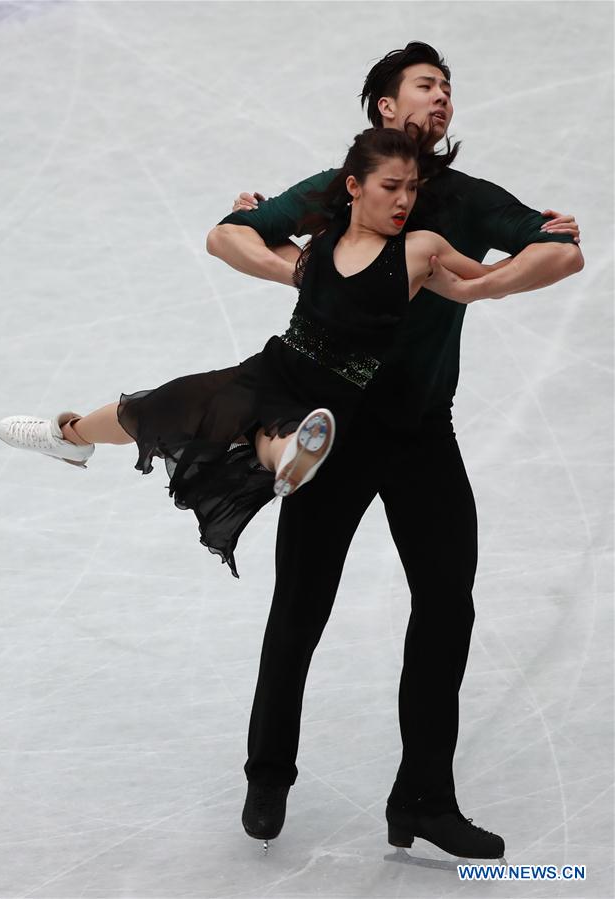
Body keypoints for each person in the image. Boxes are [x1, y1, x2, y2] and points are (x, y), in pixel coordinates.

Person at [207, 42, 584, 859]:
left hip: (421, 434)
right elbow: (229, 234)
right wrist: (299, 270)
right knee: (301, 608)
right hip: (332, 435)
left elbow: (563, 248)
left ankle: (423, 798)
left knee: (448, 605)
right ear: (384, 108)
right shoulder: (349, 185)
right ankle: (269, 770)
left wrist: (484, 285)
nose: (441, 97)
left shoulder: (465, 200)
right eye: (424, 86)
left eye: (448, 88)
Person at [0, 127, 502, 583]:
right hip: (276, 367)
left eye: (411, 188)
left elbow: (479, 285)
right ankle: (69, 436)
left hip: (336, 394)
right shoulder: (323, 244)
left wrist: (548, 243)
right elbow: (257, 238)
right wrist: (249, 214)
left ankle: (294, 459)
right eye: (392, 187)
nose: (403, 200)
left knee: (275, 436)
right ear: (355, 187)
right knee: (158, 407)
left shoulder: (422, 249)